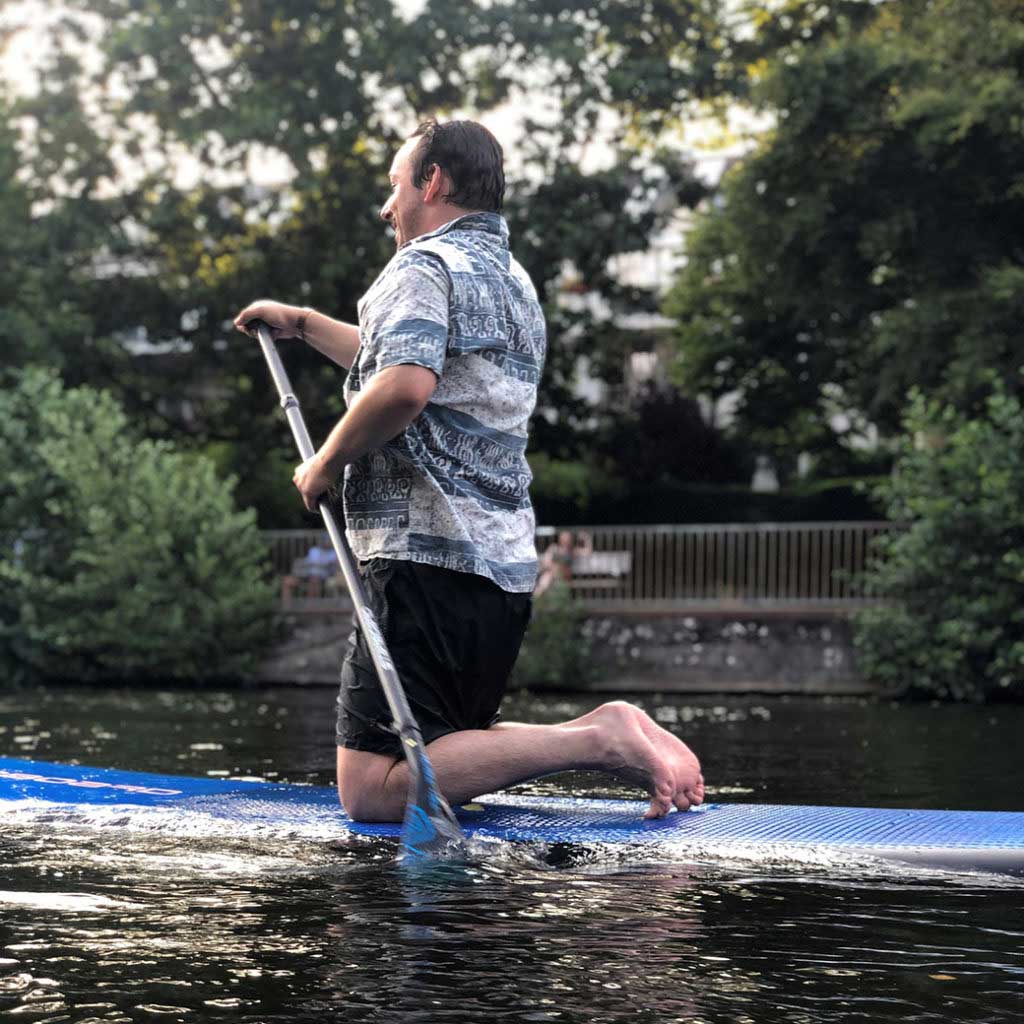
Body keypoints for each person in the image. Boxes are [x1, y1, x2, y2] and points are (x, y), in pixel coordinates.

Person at [234, 118, 704, 822]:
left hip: (424, 559)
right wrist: (302, 324)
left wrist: (324, 465)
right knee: (452, 745)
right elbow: (398, 358)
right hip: (499, 568)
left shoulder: (421, 266)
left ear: (433, 181)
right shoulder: (511, 280)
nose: (387, 207)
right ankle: (602, 731)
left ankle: (600, 738)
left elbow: (403, 385)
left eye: (396, 186)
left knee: (373, 788)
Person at [535, 529, 593, 597]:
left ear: (570, 540)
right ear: (560, 539)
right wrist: (553, 566)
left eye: (568, 539)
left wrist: (586, 538)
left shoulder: (573, 551)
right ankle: (536, 598)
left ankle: (535, 598)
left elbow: (588, 552)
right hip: (552, 573)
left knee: (547, 577)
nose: (566, 541)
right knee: (547, 576)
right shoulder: (554, 548)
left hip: (564, 576)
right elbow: (546, 562)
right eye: (564, 539)